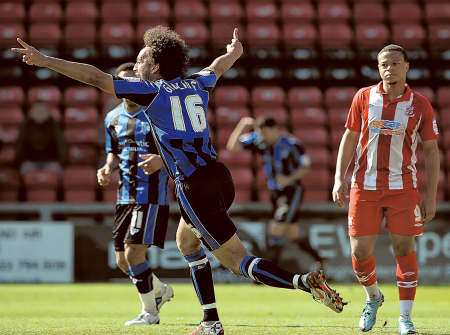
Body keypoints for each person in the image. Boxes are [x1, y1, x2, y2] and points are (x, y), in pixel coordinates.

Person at [12, 27, 346, 335]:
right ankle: (210, 321)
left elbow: (94, 77)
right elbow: (218, 66)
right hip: (220, 177)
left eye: (143, 58)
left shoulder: (151, 92)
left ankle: (304, 282)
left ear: (156, 66)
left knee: (236, 261)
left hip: (193, 185)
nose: (138, 63)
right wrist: (234, 52)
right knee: (187, 242)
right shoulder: (198, 83)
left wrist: (44, 61)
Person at [332, 44, 440, 335]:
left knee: (404, 248)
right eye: (383, 64)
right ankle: (373, 297)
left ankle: (406, 319)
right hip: (364, 186)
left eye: (394, 63)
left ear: (406, 67)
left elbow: (431, 151)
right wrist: (338, 178)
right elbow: (350, 136)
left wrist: (430, 196)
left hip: (402, 188)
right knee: (359, 252)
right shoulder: (364, 97)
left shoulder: (420, 105)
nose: (388, 69)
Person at [97, 62, 173, 326]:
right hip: (123, 196)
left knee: (132, 254)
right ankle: (160, 290)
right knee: (121, 260)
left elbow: (178, 148)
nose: (129, 87)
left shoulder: (155, 114)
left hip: (150, 195)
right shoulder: (112, 118)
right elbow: (114, 151)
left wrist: (161, 161)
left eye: (133, 80)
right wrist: (107, 167)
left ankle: (149, 313)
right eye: (123, 82)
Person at [226, 115, 324, 269]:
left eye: (265, 133)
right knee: (292, 233)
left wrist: (288, 178)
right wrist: (242, 125)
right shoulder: (260, 141)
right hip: (275, 193)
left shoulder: (292, 144)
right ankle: (320, 260)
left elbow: (305, 167)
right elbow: (233, 147)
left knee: (276, 229)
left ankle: (268, 270)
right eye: (261, 133)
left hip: (291, 192)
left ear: (274, 129)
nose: (263, 137)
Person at [15, 101, 65, 176]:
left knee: (57, 171)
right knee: (23, 171)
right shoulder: (26, 125)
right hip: (30, 162)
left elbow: (61, 144)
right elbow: (20, 145)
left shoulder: (53, 125)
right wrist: (20, 161)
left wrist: (61, 161)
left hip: (50, 162)